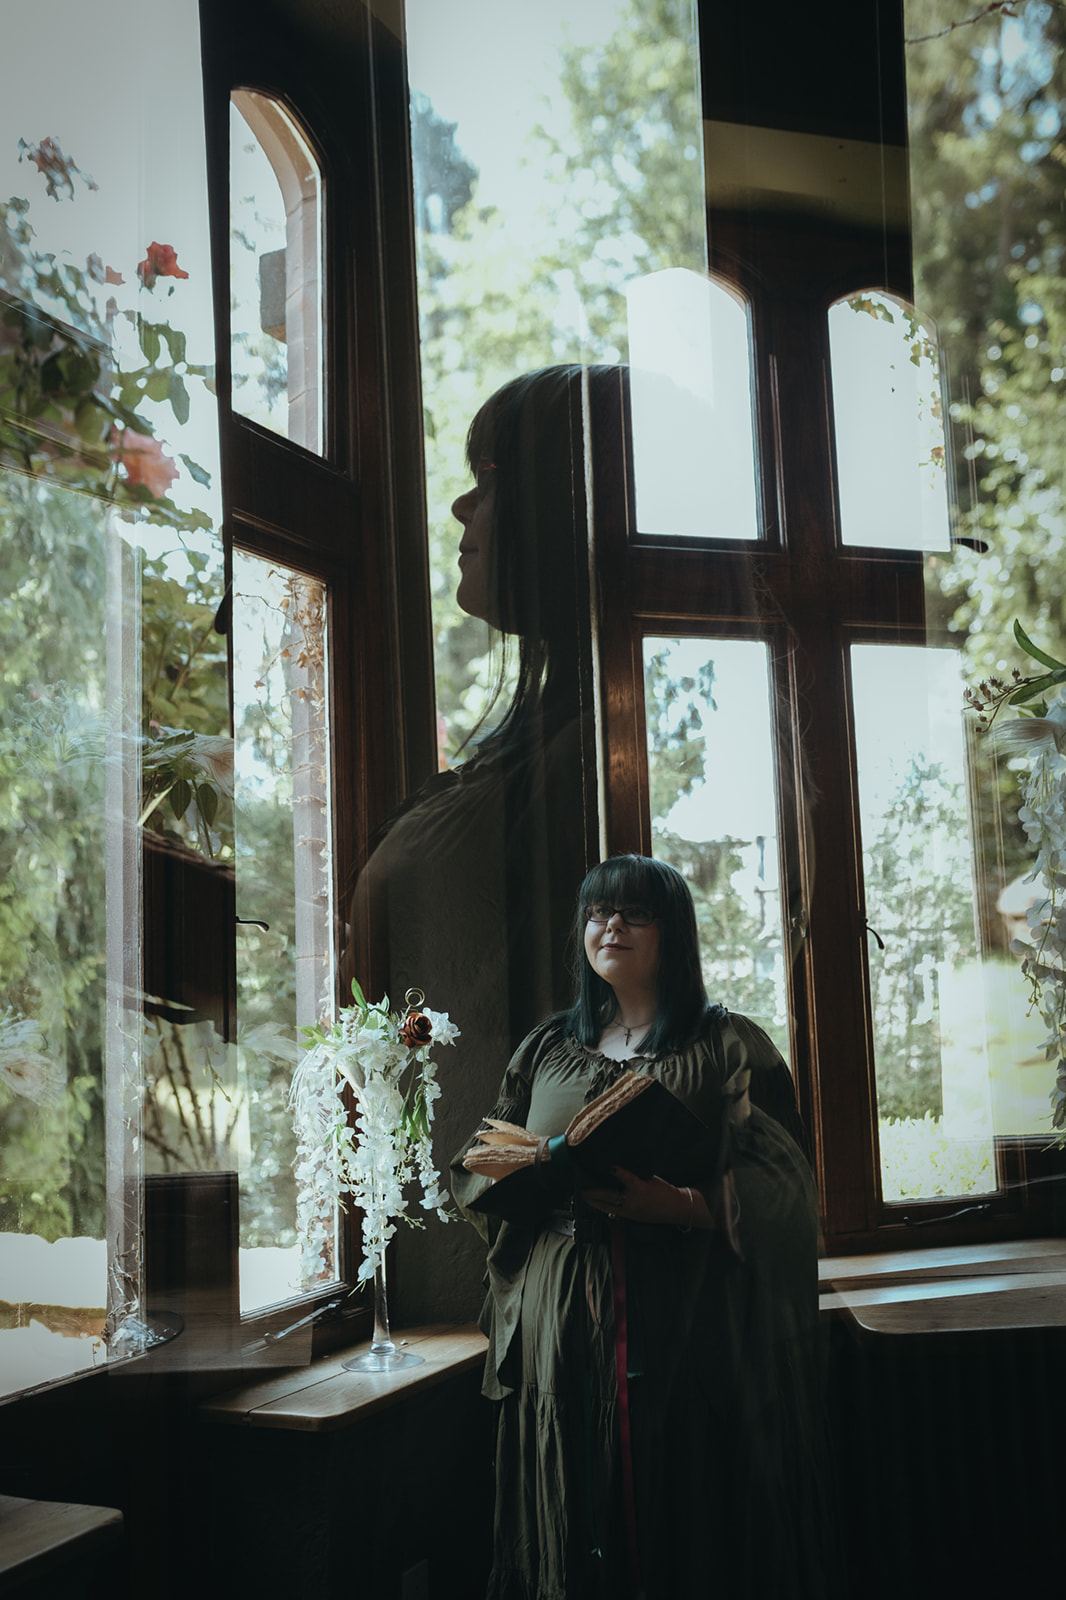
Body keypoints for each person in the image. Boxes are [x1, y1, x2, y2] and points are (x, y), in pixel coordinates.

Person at [452, 853, 834, 1600]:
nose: (611, 926)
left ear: (674, 933)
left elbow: (788, 1189)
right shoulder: (546, 1048)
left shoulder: (727, 1046)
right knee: (571, 1499)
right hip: (558, 1314)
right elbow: (479, 1159)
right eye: (597, 913)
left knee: (674, 1506)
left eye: (634, 913)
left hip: (680, 1316)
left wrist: (686, 1206)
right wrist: (537, 1164)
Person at [349, 367, 625, 1325]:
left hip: (507, 1312)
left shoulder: (590, 769)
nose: (463, 502)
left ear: (559, 509)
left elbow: (602, 1073)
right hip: (442, 1282)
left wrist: (488, 1200)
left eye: (491, 474)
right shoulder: (538, 746)